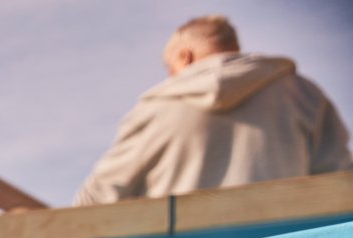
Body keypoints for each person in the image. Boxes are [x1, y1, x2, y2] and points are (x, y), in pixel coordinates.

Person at [75, 14, 352, 206]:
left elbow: (98, 197)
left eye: (169, 68)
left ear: (185, 57)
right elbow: (343, 183)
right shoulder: (303, 94)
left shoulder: (158, 107)